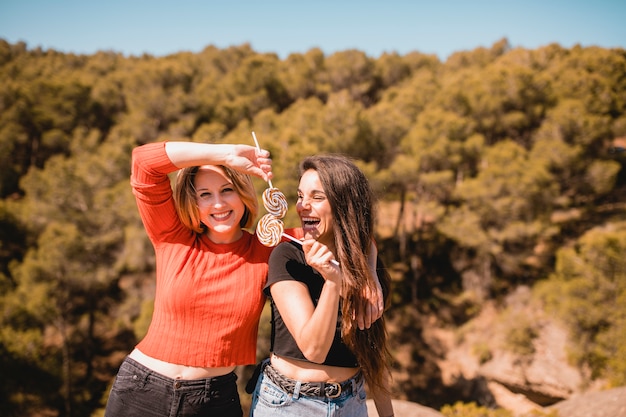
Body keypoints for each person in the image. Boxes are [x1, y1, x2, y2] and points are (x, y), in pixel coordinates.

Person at [104, 141, 383, 417]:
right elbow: (144, 163)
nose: (218, 203)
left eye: (227, 190)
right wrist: (224, 154)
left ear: (242, 194)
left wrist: (370, 275)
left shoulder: (269, 245)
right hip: (142, 390)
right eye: (205, 194)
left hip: (214, 399)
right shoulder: (171, 238)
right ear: (193, 202)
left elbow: (349, 232)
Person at [250, 154, 394, 417]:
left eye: (317, 197)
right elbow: (314, 349)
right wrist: (332, 282)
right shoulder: (288, 257)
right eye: (300, 196)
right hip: (289, 404)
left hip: (352, 402)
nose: (303, 206)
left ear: (344, 204)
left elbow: (373, 352)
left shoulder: (363, 263)